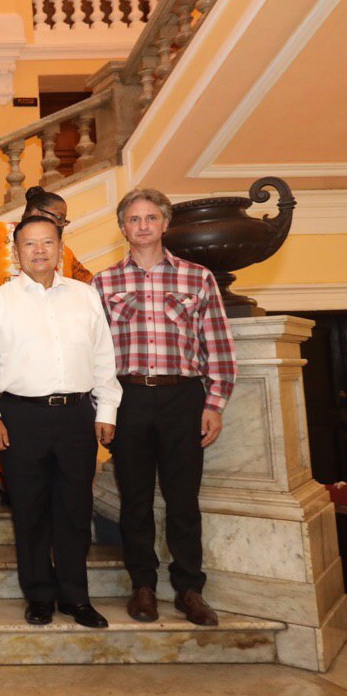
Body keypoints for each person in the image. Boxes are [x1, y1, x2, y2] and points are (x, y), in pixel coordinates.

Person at [93, 188, 236, 627]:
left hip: (183, 398)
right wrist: (104, 408)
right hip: (128, 397)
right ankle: (143, 587)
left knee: (182, 499)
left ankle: (190, 589)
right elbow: (93, 352)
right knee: (134, 499)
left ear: (164, 224)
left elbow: (218, 344)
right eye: (133, 219)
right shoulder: (102, 283)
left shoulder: (198, 278)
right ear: (122, 227)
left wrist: (214, 403)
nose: (142, 226)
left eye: (150, 218)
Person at [0, 215, 122, 629]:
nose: (38, 251)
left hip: (77, 415)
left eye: (47, 243)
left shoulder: (85, 296)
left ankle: (76, 597)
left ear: (61, 247)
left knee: (75, 510)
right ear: (15, 250)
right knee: (30, 510)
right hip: (21, 417)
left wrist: (106, 410)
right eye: (29, 244)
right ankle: (39, 595)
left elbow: (103, 359)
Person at [0, 185, 93, 482]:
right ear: (35, 211)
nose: (60, 225)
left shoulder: (61, 249)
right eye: (58, 217)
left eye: (63, 222)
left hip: (43, 368)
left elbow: (86, 285)